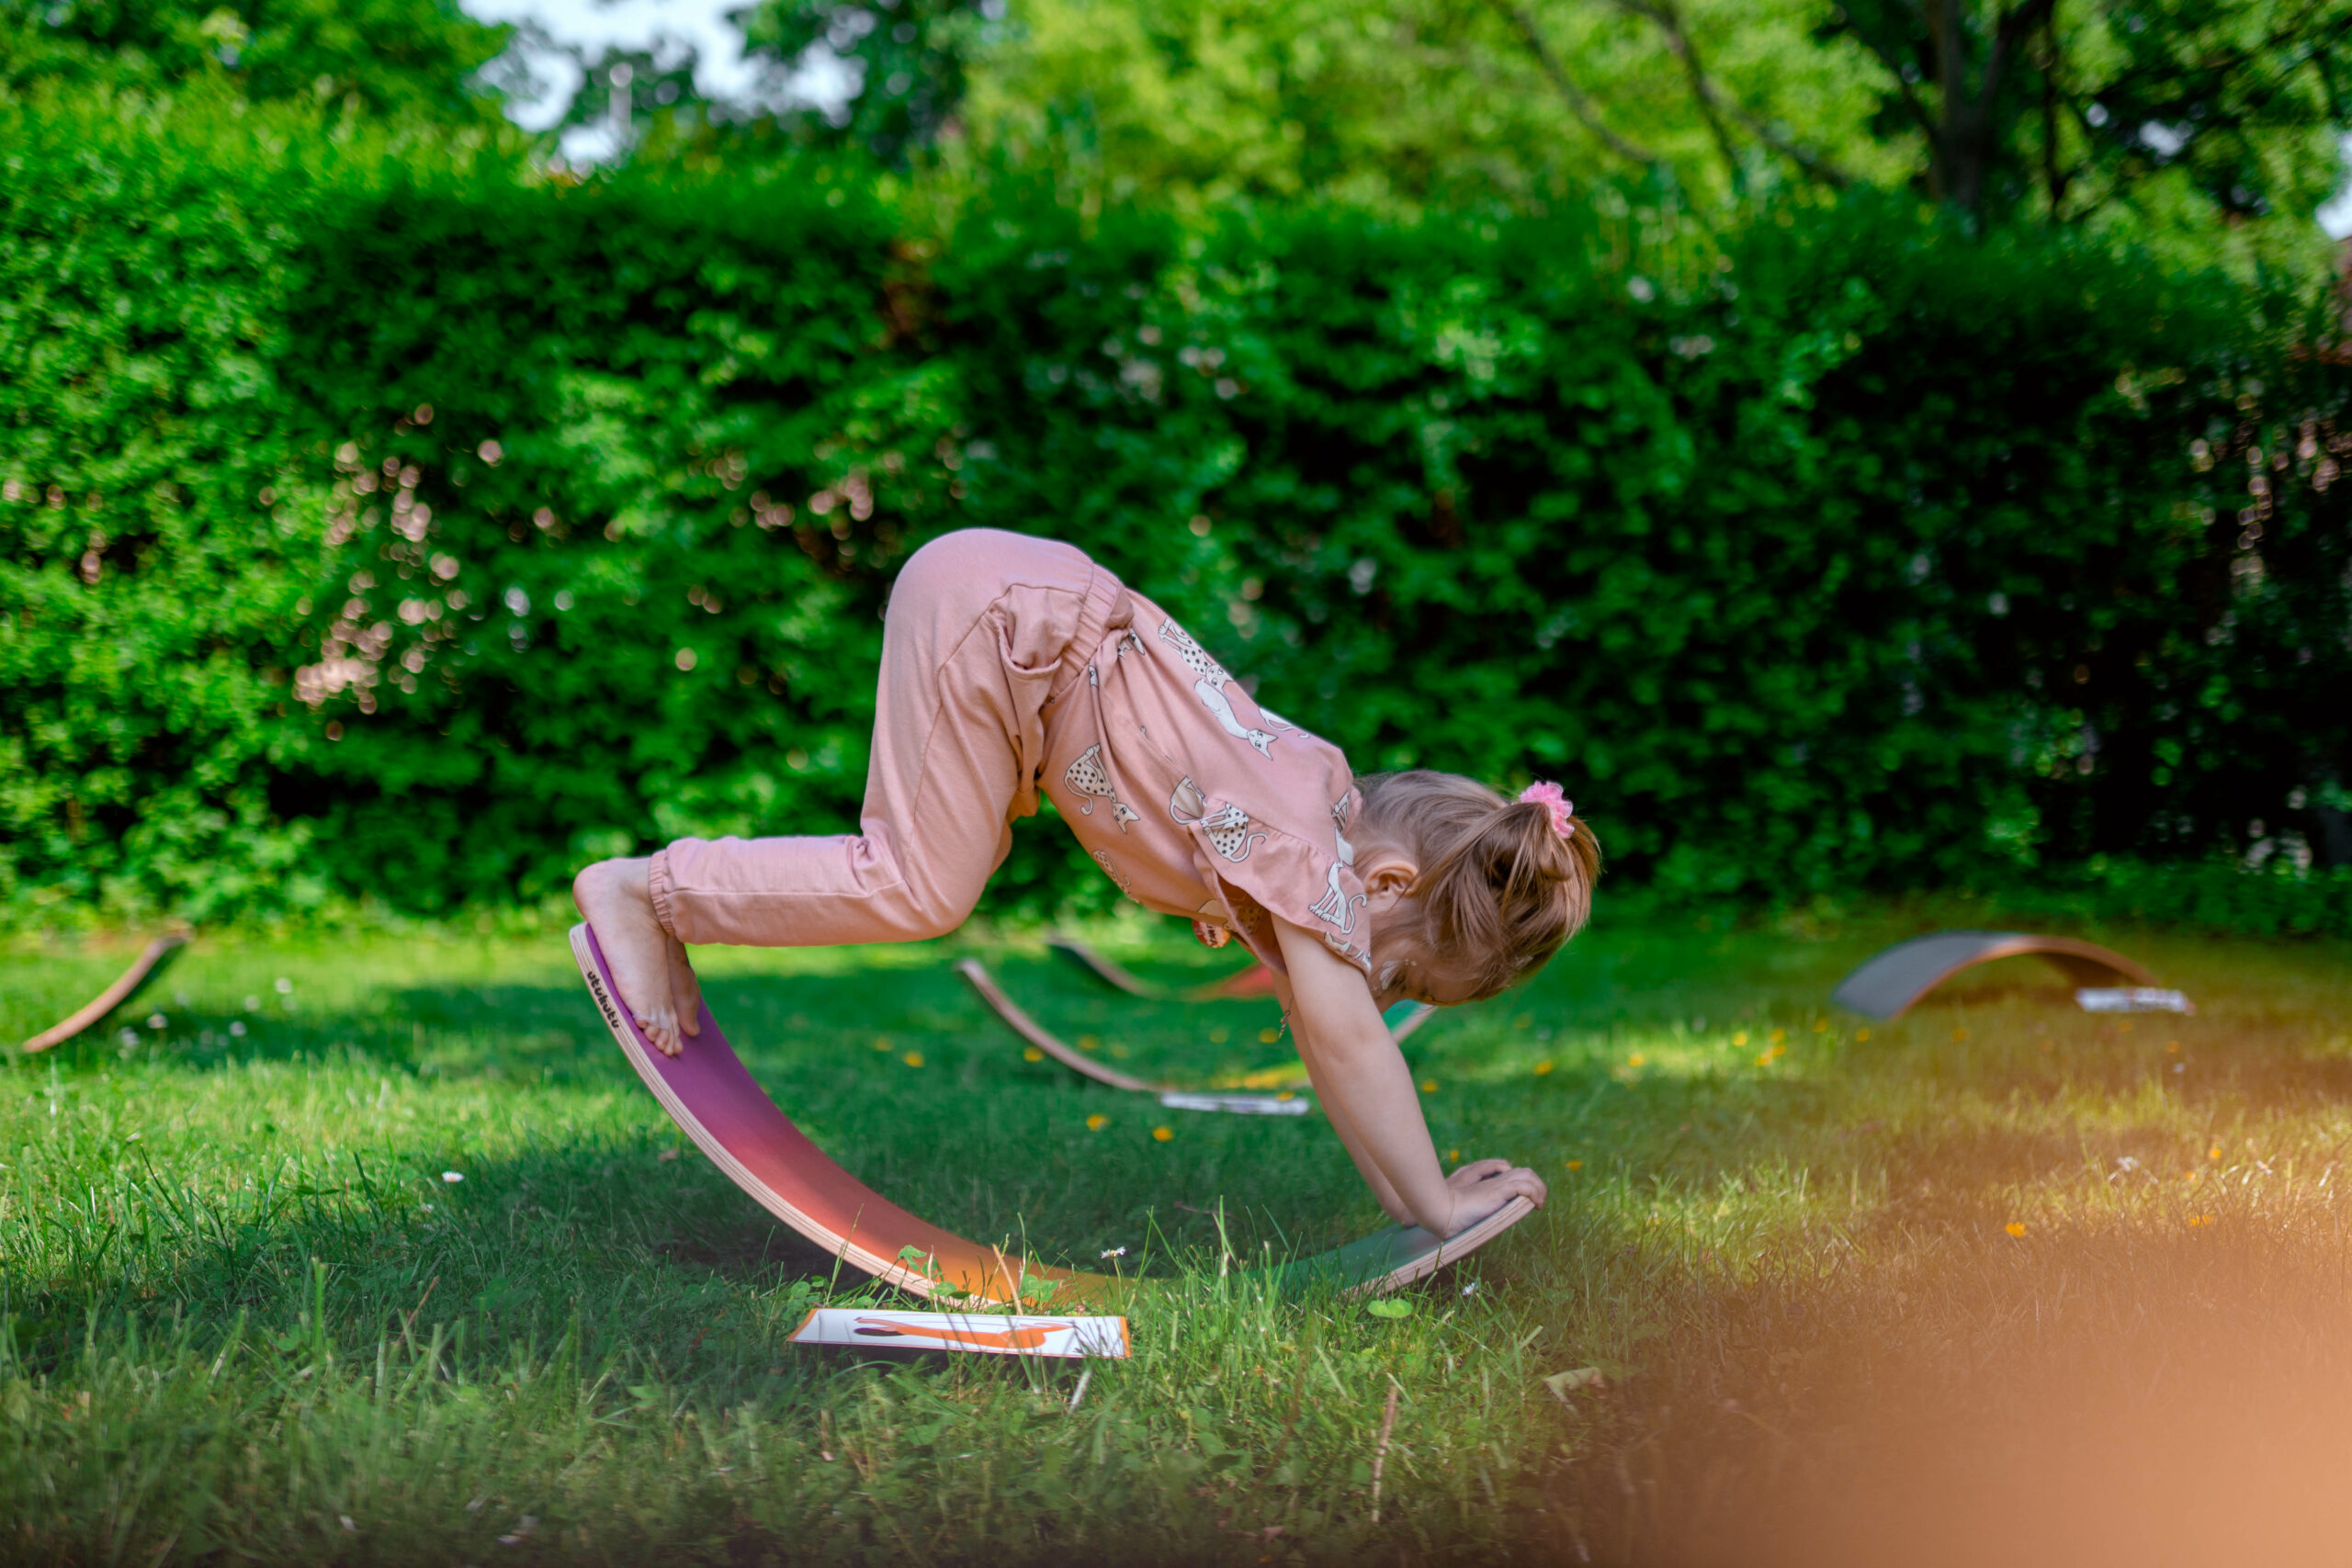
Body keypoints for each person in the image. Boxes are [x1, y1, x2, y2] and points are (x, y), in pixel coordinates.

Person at [574, 528, 1599, 1240]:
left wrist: (1412, 1208)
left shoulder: (1308, 831)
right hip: (1010, 622)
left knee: (935, 878)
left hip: (1016, 612)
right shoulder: (1311, 855)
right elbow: (1347, 1041)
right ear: (1384, 882)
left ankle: (659, 901)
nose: (1381, 998)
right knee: (915, 886)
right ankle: (644, 891)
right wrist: (1435, 1200)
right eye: (1407, 978)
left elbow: (1332, 1063)